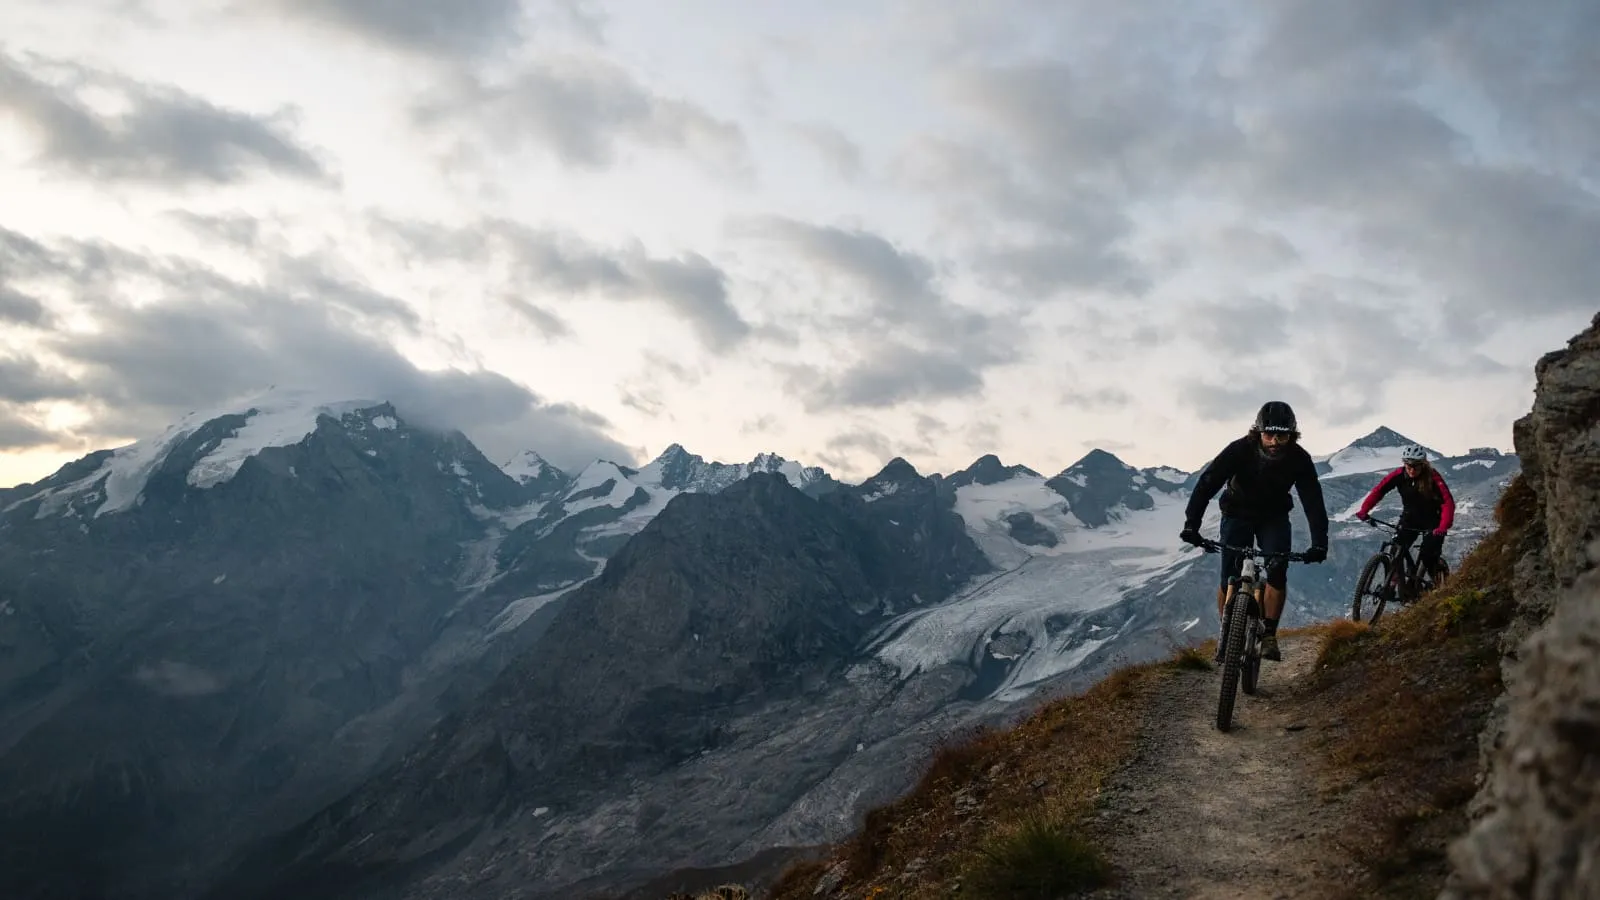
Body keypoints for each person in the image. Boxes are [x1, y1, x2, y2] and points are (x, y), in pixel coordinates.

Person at [1179, 401, 1329, 662]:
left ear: (1291, 435)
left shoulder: (1299, 459)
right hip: (1237, 513)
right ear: (1258, 432)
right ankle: (1227, 631)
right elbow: (1206, 484)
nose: (1274, 441)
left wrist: (1319, 543)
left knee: (1277, 571)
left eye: (1281, 435)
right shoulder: (1239, 450)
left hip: (1274, 516)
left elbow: (1313, 502)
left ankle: (1269, 635)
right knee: (1229, 576)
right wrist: (1191, 525)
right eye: (1269, 434)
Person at [1354, 444, 1454, 589]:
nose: (1412, 470)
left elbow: (1447, 502)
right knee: (1396, 548)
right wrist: (1364, 510)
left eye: (1416, 467)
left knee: (1428, 555)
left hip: (1433, 521)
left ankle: (1441, 588)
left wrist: (1444, 526)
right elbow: (1379, 491)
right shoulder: (1399, 475)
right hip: (1410, 518)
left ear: (1423, 465)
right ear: (1404, 464)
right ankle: (1393, 583)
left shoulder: (1432, 477)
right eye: (1408, 466)